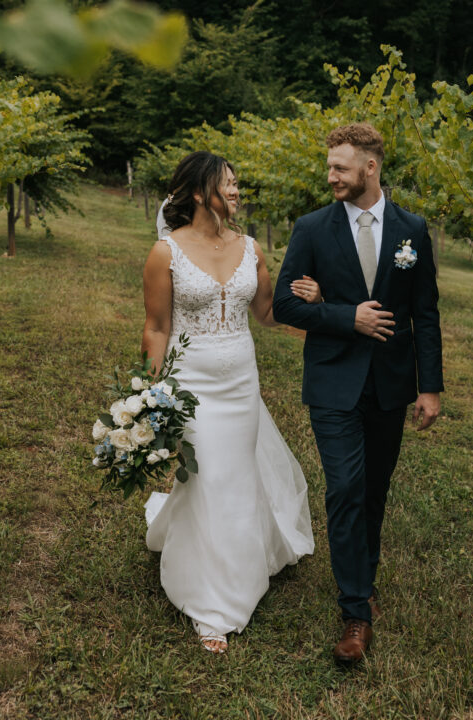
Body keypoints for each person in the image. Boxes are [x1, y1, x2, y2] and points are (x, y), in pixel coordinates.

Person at [272, 123, 443, 664]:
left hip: (391, 385)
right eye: (329, 167)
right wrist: (348, 317)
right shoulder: (312, 228)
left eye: (340, 167)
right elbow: (284, 305)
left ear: (370, 167)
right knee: (345, 487)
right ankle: (355, 613)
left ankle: (361, 580)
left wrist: (430, 387)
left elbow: (426, 315)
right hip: (333, 380)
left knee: (373, 492)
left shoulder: (412, 229)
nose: (331, 176)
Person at [141, 151, 318, 655]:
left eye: (239, 184)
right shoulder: (165, 253)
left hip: (241, 380)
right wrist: (149, 394)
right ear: (200, 193)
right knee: (208, 475)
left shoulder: (251, 248)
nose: (238, 192)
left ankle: (236, 566)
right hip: (190, 382)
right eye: (229, 184)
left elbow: (264, 313)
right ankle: (212, 604)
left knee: (233, 477)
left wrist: (304, 303)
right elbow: (156, 327)